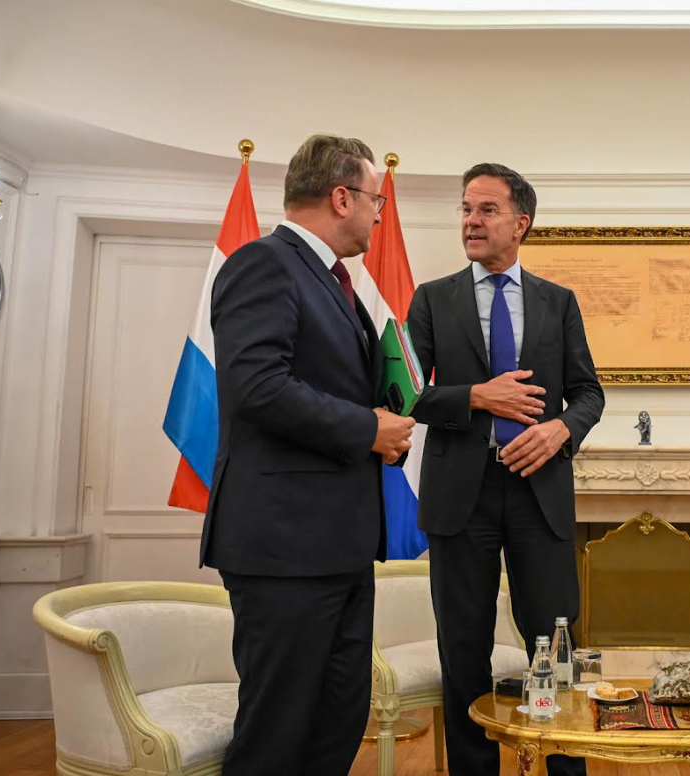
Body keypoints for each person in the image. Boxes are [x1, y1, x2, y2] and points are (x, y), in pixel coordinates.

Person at [201, 134, 416, 776]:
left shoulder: (333, 280)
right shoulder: (263, 263)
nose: (379, 214)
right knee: (277, 734)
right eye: (375, 200)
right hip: (284, 546)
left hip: (337, 545)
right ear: (341, 198)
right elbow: (257, 387)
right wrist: (366, 429)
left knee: (335, 721)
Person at [407, 163, 605, 776]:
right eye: (466, 208)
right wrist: (475, 396)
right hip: (458, 497)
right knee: (463, 647)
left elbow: (589, 394)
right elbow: (405, 394)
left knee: (556, 642)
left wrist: (559, 430)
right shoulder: (432, 298)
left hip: (538, 493)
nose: (471, 220)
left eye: (487, 209)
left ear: (521, 223)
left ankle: (564, 767)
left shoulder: (558, 302)